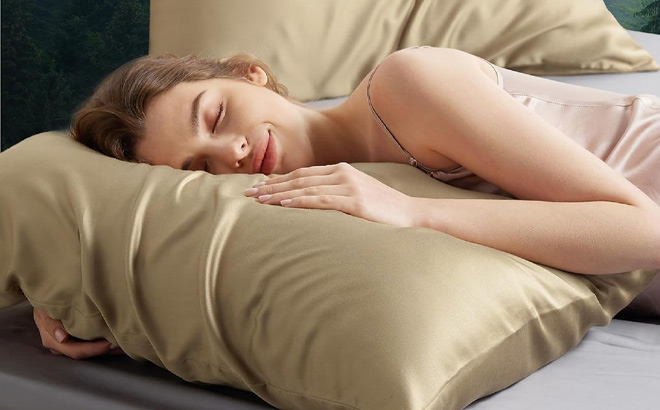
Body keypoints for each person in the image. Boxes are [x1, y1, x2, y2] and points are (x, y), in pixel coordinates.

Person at [34, 47, 660, 359]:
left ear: (250, 72)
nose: (232, 153)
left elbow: (643, 231)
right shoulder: (306, 196)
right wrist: (75, 289)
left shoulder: (407, 85)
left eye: (217, 114)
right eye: (198, 166)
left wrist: (417, 211)